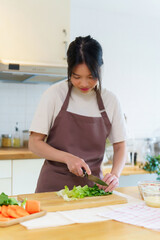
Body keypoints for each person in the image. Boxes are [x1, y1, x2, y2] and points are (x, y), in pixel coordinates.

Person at [29, 35, 127, 193]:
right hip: (53, 189)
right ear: (69, 70)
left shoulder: (110, 101)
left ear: (100, 69)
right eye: (76, 77)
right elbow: (34, 143)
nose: (83, 84)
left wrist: (115, 175)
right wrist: (68, 158)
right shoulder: (54, 94)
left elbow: (120, 146)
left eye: (91, 77)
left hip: (93, 189)